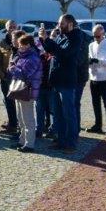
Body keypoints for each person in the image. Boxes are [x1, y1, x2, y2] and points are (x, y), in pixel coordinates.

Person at [42, 14, 84, 151]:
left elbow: (64, 53)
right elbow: (52, 50)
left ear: (70, 23)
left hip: (67, 81)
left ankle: (71, 143)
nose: (59, 26)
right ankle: (60, 140)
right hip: (56, 80)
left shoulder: (76, 37)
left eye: (62, 23)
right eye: (59, 23)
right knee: (57, 113)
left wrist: (49, 40)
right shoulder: (61, 36)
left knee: (69, 113)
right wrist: (45, 40)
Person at [8, 33, 44, 152]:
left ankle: (30, 144)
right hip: (20, 90)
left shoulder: (33, 58)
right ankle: (22, 140)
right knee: (21, 118)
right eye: (19, 46)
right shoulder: (22, 56)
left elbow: (24, 74)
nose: (19, 48)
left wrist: (13, 68)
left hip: (28, 92)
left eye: (21, 46)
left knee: (28, 118)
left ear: (28, 45)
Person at [87, 24, 106, 135]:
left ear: (103, 34)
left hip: (105, 78)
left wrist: (99, 61)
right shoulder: (91, 45)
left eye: (98, 36)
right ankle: (98, 125)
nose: (96, 38)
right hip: (93, 77)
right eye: (94, 36)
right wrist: (89, 62)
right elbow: (89, 59)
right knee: (95, 103)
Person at [0, 20, 19, 134]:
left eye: (14, 26)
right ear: (6, 28)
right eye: (10, 27)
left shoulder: (21, 41)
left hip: (18, 79)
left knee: (17, 102)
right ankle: (12, 123)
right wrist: (1, 75)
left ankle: (16, 124)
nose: (12, 28)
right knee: (8, 102)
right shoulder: (2, 42)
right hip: (5, 78)